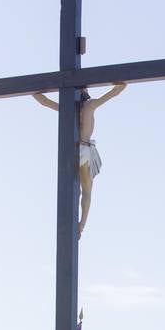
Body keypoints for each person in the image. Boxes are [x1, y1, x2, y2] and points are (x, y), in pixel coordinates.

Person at [32, 83, 127, 237]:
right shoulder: (90, 105)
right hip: (85, 150)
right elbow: (117, 90)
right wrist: (115, 80)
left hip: (71, 151)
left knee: (75, 191)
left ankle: (74, 223)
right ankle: (81, 225)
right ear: (85, 91)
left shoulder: (67, 107)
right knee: (87, 191)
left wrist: (36, 85)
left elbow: (42, 100)